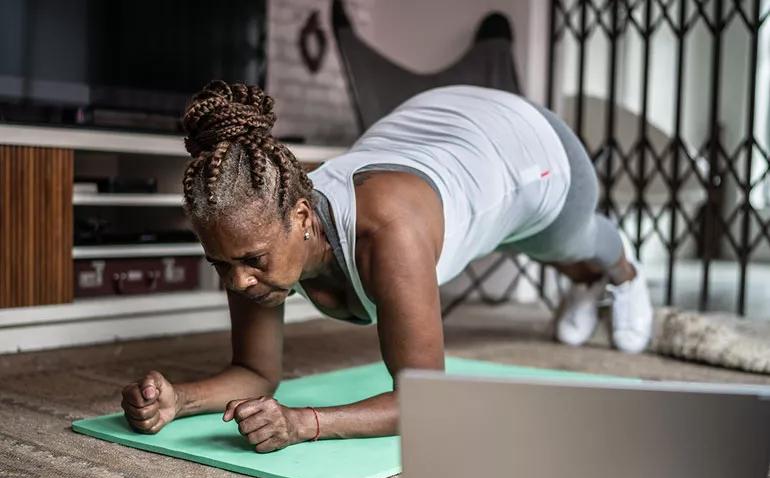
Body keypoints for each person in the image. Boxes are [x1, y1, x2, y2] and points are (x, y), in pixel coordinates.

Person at [121, 81, 653, 452]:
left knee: (568, 243)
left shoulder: (387, 236)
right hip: (436, 130)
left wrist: (306, 424)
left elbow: (425, 398)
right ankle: (586, 286)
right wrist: (178, 399)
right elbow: (258, 373)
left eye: (249, 263)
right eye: (220, 264)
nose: (236, 281)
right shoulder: (252, 232)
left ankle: (620, 275)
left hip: (530, 150)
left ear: (303, 216)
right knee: (549, 249)